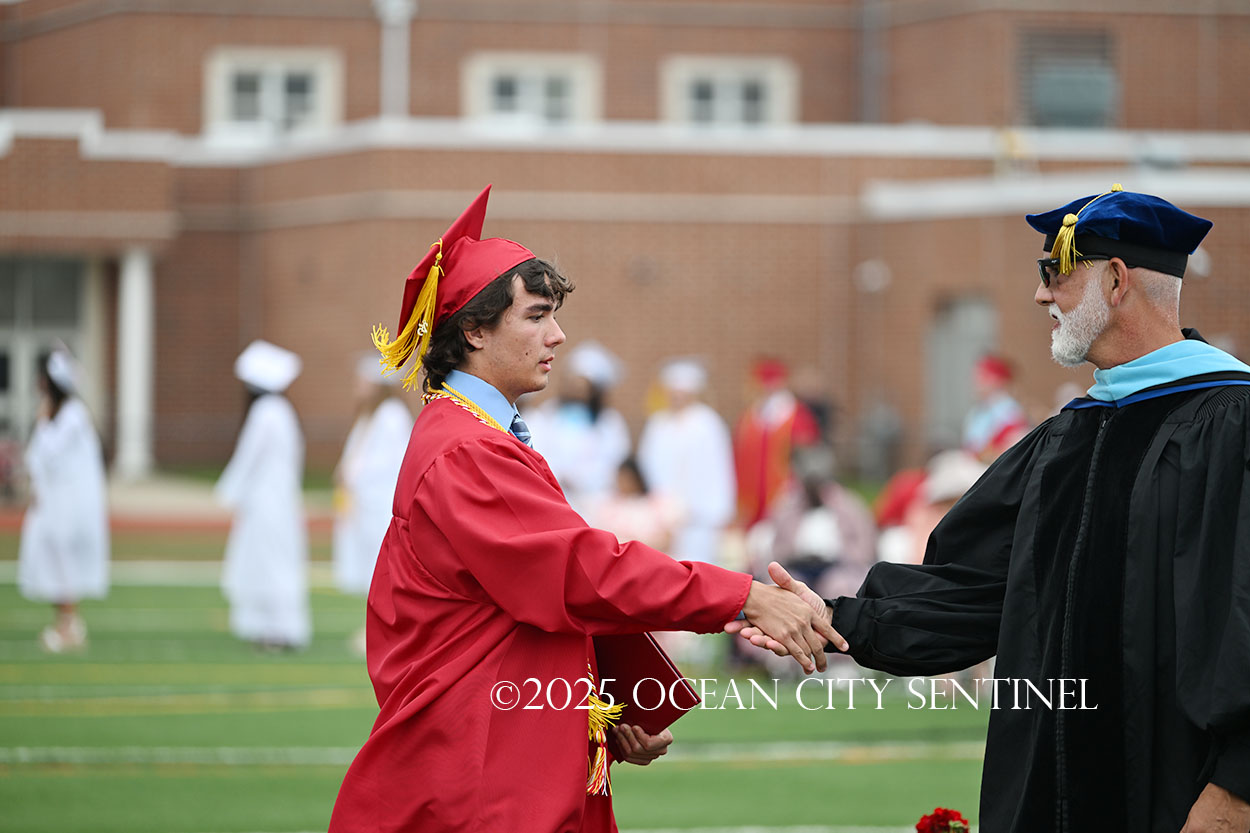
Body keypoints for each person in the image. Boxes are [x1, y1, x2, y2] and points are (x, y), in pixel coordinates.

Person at [734, 186, 1250, 832]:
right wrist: (836, 618)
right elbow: (976, 590)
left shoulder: (1231, 426)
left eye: (1054, 272)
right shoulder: (1066, 440)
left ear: (1117, 281)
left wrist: (1237, 791)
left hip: (1186, 795)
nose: (1039, 294)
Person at [328, 185, 843, 833]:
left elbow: (531, 592)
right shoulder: (466, 449)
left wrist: (606, 711)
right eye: (536, 316)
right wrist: (743, 596)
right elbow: (577, 570)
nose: (558, 335)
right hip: (482, 769)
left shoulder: (471, 434)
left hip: (506, 737)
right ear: (475, 329)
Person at [215, 340, 311, 651]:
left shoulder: (266, 413)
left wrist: (227, 493)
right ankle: (272, 626)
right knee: (272, 559)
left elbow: (248, 457)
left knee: (270, 561)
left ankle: (279, 629)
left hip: (266, 501)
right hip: (279, 498)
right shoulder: (282, 411)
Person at [18, 349, 109, 653]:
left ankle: (70, 626)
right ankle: (65, 622)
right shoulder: (58, 414)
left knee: (63, 562)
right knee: (51, 561)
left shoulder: (72, 415)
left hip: (68, 507)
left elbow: (50, 454)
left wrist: (43, 422)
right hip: (53, 505)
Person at [332, 355, 414, 652]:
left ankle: (385, 632)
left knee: (383, 568)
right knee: (368, 566)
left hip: (380, 505)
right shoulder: (370, 416)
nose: (357, 387)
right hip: (363, 506)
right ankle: (375, 628)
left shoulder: (391, 415)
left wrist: (353, 477)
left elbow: (390, 462)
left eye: (362, 381)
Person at [637, 358, 736, 565]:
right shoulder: (658, 424)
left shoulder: (707, 423)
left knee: (698, 566)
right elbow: (646, 465)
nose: (677, 397)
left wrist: (718, 510)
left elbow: (719, 468)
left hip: (699, 517)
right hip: (663, 518)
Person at [524, 340, 631, 516]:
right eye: (573, 382)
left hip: (596, 502)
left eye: (583, 384)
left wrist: (583, 479)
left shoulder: (610, 422)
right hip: (556, 494)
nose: (576, 388)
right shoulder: (548, 414)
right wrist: (560, 475)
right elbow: (538, 449)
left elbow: (616, 461)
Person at [733, 356, 821, 528]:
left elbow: (807, 454)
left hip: (784, 490)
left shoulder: (795, 415)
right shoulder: (749, 417)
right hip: (752, 495)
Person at [961, 354, 1029, 462]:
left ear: (997, 380)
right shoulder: (979, 410)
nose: (976, 382)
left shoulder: (1009, 411)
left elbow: (1008, 450)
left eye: (982, 376)